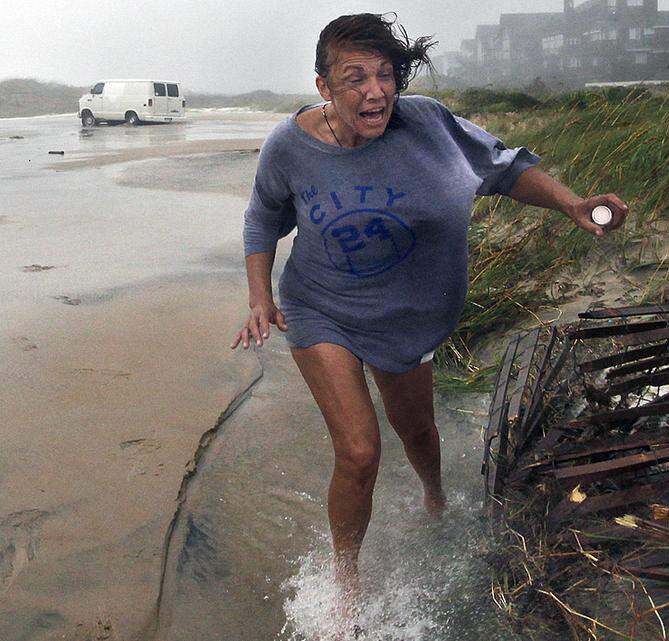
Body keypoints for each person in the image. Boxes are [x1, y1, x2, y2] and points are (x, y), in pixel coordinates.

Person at [230, 13, 628, 600]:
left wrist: (571, 204)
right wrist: (260, 295)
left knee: (417, 430)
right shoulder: (289, 147)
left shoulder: (428, 124)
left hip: (406, 317)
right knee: (361, 451)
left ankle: (434, 499)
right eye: (354, 78)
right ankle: (346, 585)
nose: (375, 92)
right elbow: (264, 214)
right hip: (322, 309)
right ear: (324, 87)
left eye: (386, 76)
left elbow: (505, 169)